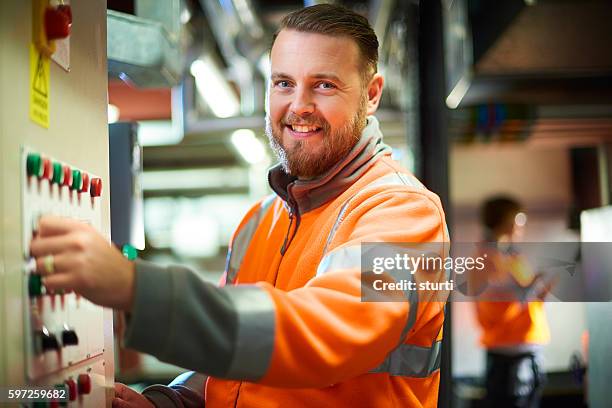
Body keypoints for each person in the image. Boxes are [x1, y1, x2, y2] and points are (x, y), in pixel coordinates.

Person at [30, 4, 449, 407]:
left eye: (324, 85)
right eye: (284, 83)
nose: (298, 106)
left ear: (372, 94)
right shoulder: (259, 221)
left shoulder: (405, 214)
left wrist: (134, 288)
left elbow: (320, 333)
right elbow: (237, 356)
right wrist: (171, 400)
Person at [473, 196, 550, 408]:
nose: (521, 223)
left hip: (526, 351)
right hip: (508, 358)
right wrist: (527, 291)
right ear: (504, 221)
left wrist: (538, 293)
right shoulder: (487, 258)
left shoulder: (511, 257)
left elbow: (526, 300)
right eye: (517, 218)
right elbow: (495, 307)